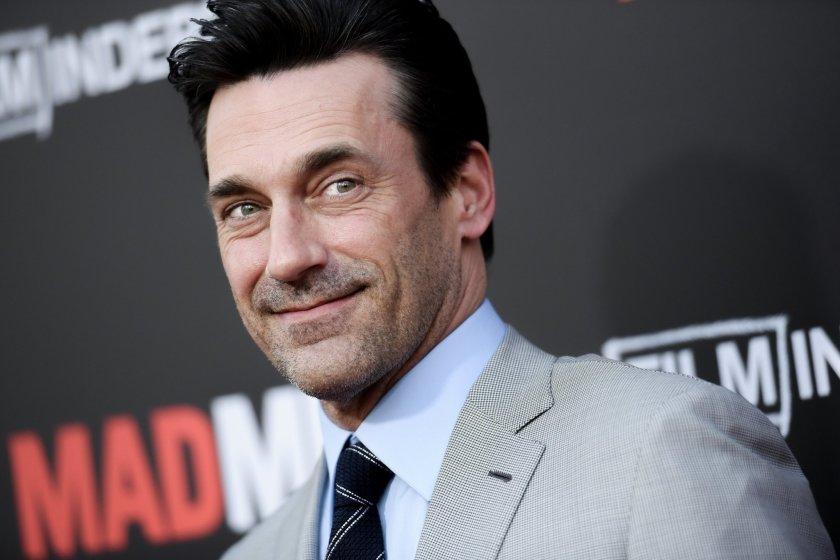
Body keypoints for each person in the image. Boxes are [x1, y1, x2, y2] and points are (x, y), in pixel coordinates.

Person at [168, 1, 836, 558]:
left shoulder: (662, 458)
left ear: (467, 192)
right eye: (245, 209)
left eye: (340, 186)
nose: (286, 257)